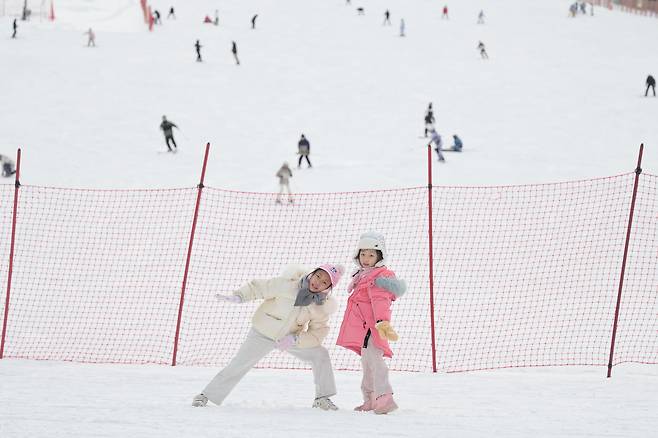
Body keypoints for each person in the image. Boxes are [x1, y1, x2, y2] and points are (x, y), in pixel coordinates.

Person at [192, 264, 345, 410]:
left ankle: (322, 398)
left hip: (288, 339)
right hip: (263, 333)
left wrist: (295, 339)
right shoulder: (287, 285)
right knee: (239, 363)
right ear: (312, 273)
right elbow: (259, 288)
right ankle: (206, 396)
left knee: (320, 354)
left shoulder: (321, 307)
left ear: (328, 288)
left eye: (324, 282)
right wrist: (239, 296)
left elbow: (318, 333)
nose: (318, 282)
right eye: (318, 276)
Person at [336, 232, 406, 415]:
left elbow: (380, 300)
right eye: (363, 254)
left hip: (375, 328)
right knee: (367, 363)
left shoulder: (379, 277)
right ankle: (370, 400)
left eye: (371, 255)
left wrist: (382, 322)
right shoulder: (362, 276)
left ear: (379, 257)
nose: (366, 259)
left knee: (375, 361)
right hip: (366, 328)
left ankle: (385, 398)